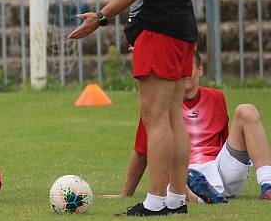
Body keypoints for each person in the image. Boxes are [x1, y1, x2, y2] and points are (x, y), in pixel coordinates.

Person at [68, 0, 199, 217]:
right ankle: (175, 199)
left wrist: (101, 16)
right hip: (182, 26)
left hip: (159, 28)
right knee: (173, 116)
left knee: (155, 117)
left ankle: (156, 202)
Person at [104, 51, 271, 203]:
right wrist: (126, 193)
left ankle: (267, 185)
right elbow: (142, 152)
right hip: (183, 173)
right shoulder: (159, 107)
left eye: (189, 67)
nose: (185, 72)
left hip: (220, 169)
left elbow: (227, 142)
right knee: (180, 182)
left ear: (200, 70)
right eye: (180, 67)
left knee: (246, 110)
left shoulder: (216, 97)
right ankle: (203, 197)